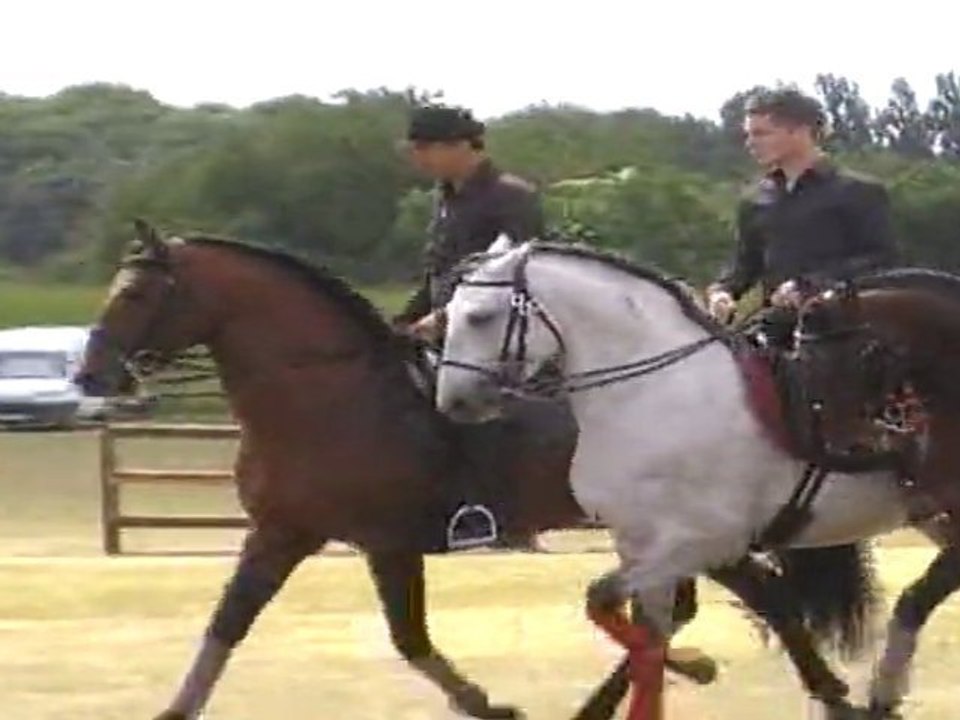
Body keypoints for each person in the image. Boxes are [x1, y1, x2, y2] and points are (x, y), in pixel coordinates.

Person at [395, 104, 546, 550]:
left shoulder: (511, 196)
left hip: (495, 329)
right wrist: (401, 322)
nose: (417, 158)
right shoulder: (446, 197)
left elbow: (521, 268)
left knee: (475, 406)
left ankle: (495, 516)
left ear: (461, 146)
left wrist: (445, 319)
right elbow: (437, 276)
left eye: (425, 148)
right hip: (444, 325)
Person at [706, 88, 900, 339]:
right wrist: (723, 292)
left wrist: (808, 285)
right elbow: (745, 263)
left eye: (761, 133)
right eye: (749, 134)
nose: (750, 143)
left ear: (800, 131)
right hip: (775, 329)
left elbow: (881, 259)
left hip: (844, 334)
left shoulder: (858, 191)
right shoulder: (754, 198)